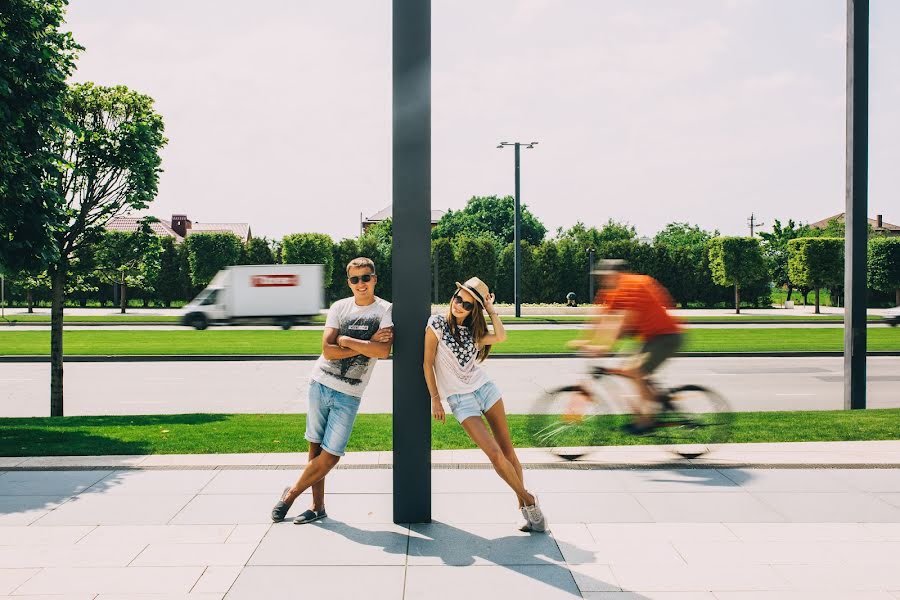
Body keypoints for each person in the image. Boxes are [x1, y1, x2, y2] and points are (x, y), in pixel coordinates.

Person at [271, 257, 393, 524]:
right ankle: (317, 507)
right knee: (314, 450)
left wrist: (346, 339)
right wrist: (366, 342)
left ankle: (289, 495)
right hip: (320, 383)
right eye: (354, 279)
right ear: (348, 282)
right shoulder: (340, 307)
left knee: (332, 455)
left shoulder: (386, 310)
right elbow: (327, 350)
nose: (361, 284)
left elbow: (383, 351)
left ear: (374, 278)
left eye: (366, 277)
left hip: (350, 394)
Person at [424, 276, 547, 532]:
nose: (459, 305)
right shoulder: (436, 323)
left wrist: (490, 309)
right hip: (460, 400)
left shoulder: (473, 331)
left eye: (467, 305)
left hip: (485, 389)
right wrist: (435, 399)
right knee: (494, 455)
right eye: (458, 299)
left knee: (508, 450)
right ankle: (530, 501)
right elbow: (426, 363)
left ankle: (525, 512)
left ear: (474, 310)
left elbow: (501, 336)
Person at [571, 259, 683, 432]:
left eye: (605, 277)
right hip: (649, 338)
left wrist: (604, 347)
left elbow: (625, 321)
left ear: (616, 274)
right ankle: (650, 403)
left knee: (636, 370)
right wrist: (585, 339)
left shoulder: (634, 285)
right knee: (626, 368)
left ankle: (646, 420)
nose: (603, 281)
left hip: (667, 336)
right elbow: (599, 316)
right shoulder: (612, 290)